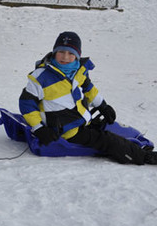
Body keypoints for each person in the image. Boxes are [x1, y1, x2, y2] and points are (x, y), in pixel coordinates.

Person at [19, 31, 156, 165]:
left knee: (108, 126)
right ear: (54, 52)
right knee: (106, 140)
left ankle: (135, 142)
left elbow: (89, 88)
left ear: (77, 56)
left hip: (80, 119)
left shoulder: (78, 70)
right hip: (66, 130)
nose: (65, 57)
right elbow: (27, 104)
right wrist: (39, 129)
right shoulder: (41, 77)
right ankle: (143, 156)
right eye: (61, 51)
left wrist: (102, 105)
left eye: (71, 53)